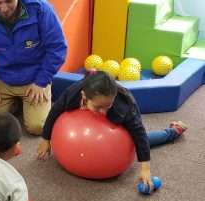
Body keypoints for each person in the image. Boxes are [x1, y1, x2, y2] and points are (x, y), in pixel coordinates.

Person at [36, 70, 188, 193]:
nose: (103, 111)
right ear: (84, 96)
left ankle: (173, 131)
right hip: (88, 114)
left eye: (107, 106)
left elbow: (139, 133)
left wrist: (145, 169)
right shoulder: (74, 93)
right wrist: (45, 139)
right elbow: (55, 111)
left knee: (142, 142)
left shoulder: (120, 108)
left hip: (123, 126)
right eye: (98, 107)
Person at [0, 0, 68, 135]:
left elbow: (57, 49)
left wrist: (41, 82)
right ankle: (16, 103)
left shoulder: (41, 9)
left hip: (35, 79)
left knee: (38, 127)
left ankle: (27, 101)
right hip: (4, 78)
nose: (4, 9)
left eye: (9, 1)